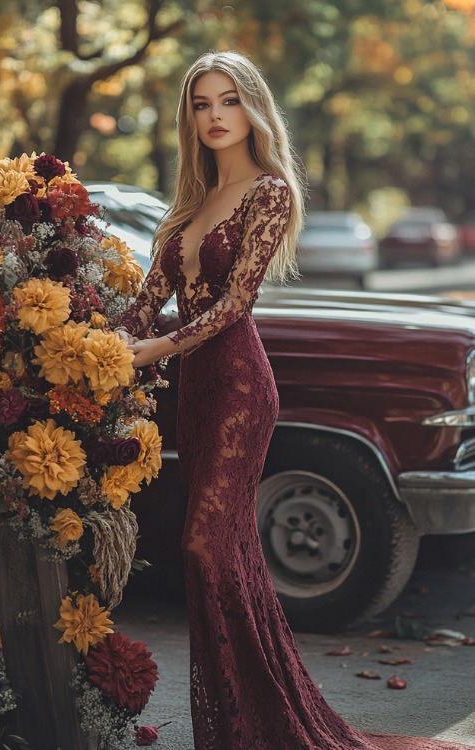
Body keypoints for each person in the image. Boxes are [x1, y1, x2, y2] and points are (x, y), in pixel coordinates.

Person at [119, 51, 473, 750]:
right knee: (227, 551)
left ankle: (257, 718)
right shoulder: (187, 204)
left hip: (240, 388)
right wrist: (91, 343)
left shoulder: (269, 191)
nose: (216, 116)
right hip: (194, 392)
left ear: (253, 107)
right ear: (190, 118)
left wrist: (151, 351)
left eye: (228, 100)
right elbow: (142, 306)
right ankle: (244, 720)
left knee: (203, 546)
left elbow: (232, 307)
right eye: (201, 104)